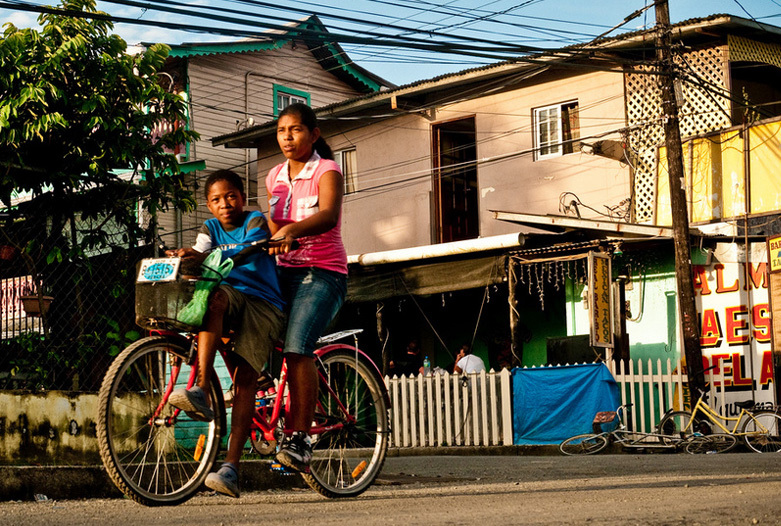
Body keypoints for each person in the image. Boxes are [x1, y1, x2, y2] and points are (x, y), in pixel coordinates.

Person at [166, 169, 285, 498]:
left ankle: (231, 467)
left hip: (263, 302)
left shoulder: (254, 220)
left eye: (231, 196)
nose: (225, 204)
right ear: (208, 205)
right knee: (212, 299)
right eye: (217, 199)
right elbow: (201, 250)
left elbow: (254, 246)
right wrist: (184, 256)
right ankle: (202, 388)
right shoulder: (210, 228)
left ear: (242, 198)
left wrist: (208, 256)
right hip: (232, 297)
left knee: (245, 378)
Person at [266, 103, 348, 473]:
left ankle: (300, 437)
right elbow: (271, 224)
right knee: (247, 325)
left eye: (296, 129)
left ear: (313, 134)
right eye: (282, 130)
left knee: (298, 348)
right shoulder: (273, 177)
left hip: (324, 272)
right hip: (283, 272)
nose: (287, 136)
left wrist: (292, 231)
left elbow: (328, 214)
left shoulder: (327, 170)